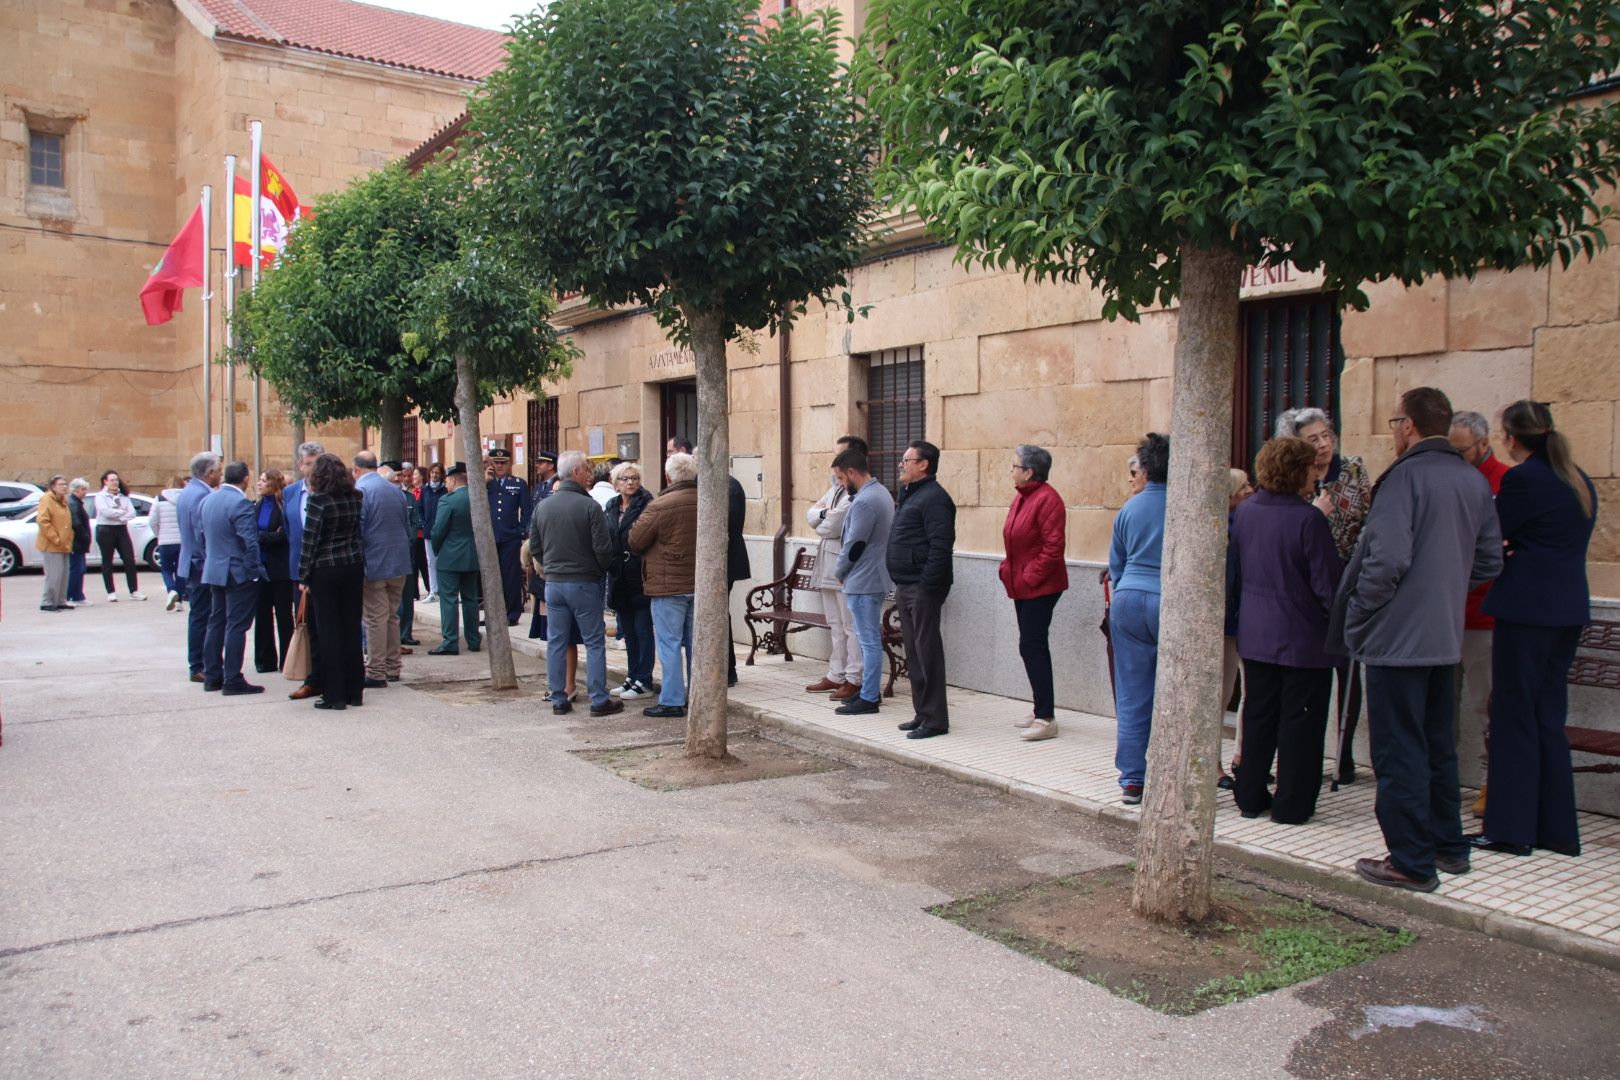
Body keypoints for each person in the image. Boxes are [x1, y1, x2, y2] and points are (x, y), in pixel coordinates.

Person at [1331, 387, 1502, 892]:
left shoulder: (1403, 478)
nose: (1392, 430)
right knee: (1437, 746)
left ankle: (1409, 860)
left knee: (1399, 749)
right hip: (1443, 636)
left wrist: (1362, 613)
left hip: (1396, 639)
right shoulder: (1471, 480)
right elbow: (1491, 561)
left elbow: (1385, 561)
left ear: (1407, 425)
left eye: (1393, 421)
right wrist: (1442, 589)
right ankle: (1448, 846)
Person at [1471, 401, 1599, 859]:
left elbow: (1492, 533)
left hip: (1527, 612)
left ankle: (1510, 829)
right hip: (1565, 611)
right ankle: (1556, 830)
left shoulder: (1525, 479)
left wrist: (1507, 549)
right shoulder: (1576, 477)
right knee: (1546, 718)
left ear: (1510, 436)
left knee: (1513, 717)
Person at [1228, 438, 1343, 824]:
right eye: (1312, 468)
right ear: (1299, 470)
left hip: (1256, 633)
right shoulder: (1309, 520)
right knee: (1301, 723)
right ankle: (1292, 804)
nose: (1317, 474)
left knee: (1259, 715)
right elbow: (1327, 585)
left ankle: (1249, 794)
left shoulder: (1246, 511)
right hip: (1303, 638)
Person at [1276, 407, 1373, 782]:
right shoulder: (1292, 477)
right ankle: (1300, 757)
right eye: (1312, 439)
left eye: (1326, 436)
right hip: (1303, 589)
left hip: (1346, 582)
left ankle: (1344, 755)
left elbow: (1368, 521)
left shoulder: (1353, 471)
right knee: (1304, 676)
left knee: (1348, 673)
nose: (1323, 445)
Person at [1449, 409, 1512, 815]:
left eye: (1463, 450)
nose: (1456, 458)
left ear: (1485, 444)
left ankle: (1494, 785)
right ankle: (1442, 782)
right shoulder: (1454, 478)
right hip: (1446, 611)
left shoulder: (1504, 482)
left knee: (1485, 705)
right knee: (1441, 705)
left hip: (1483, 614)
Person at [530, 450, 622, 717]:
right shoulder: (590, 506)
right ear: (575, 473)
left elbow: (535, 546)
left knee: (556, 642)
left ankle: (559, 697)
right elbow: (603, 549)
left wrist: (550, 567)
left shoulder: (543, 506)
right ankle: (598, 698)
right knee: (593, 641)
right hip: (584, 582)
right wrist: (598, 569)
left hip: (554, 583)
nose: (590, 474)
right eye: (586, 468)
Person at [1109, 433, 1168, 805]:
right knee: (1176, 691)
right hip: (1169, 599)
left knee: (1132, 691)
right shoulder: (1188, 504)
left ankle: (1132, 778)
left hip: (1128, 598)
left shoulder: (1129, 509)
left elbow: (1116, 564)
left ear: (1145, 469)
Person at [999, 444, 1069, 741]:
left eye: (1015, 466)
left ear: (1029, 471)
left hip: (1040, 586)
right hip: (1022, 584)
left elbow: (1053, 548)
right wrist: (1009, 570)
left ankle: (1046, 717)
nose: (1011, 471)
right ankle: (1040, 706)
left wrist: (1029, 577)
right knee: (1029, 646)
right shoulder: (1022, 498)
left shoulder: (1048, 500)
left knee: (1033, 645)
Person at [887, 439, 956, 740]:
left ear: (923, 464)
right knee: (914, 651)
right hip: (906, 585)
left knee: (927, 652)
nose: (901, 464)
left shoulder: (935, 498)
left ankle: (936, 719)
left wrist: (927, 584)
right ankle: (922, 713)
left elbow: (941, 546)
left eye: (907, 460)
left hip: (923, 587)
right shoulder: (911, 495)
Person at [630, 451, 699, 718]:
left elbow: (636, 541)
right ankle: (697, 695)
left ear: (668, 476)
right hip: (698, 583)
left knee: (670, 643)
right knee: (696, 644)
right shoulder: (706, 500)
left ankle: (671, 700)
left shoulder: (660, 504)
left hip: (668, 585)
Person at [298, 453, 366, 710]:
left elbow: (310, 541)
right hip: (353, 565)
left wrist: (303, 576)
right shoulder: (355, 497)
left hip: (325, 568)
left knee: (329, 632)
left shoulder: (318, 501)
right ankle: (354, 691)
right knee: (351, 629)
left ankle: (335, 694)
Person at [805, 435, 868, 701]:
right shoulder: (837, 488)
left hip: (844, 565)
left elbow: (833, 526)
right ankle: (836, 672)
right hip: (827, 562)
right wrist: (822, 515)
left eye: (840, 457)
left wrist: (823, 518)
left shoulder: (856, 494)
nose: (835, 465)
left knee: (849, 624)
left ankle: (854, 677)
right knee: (834, 623)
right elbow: (812, 515)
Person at [833, 449, 895, 716]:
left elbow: (855, 544)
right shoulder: (880, 493)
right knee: (867, 638)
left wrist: (839, 569)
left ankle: (869, 697)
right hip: (874, 576)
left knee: (867, 640)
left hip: (864, 579)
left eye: (840, 478)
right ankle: (869, 692)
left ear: (851, 472)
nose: (839, 484)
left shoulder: (865, 501)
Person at [199, 461, 265, 695]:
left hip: (215, 568)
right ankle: (232, 678)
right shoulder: (240, 503)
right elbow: (249, 541)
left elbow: (202, 536)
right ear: (246, 479)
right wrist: (254, 571)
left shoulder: (208, 500)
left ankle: (213, 675)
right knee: (236, 625)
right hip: (237, 571)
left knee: (216, 622)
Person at [352, 451, 412, 690]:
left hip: (374, 563)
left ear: (356, 469)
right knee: (392, 616)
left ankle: (376, 671)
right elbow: (406, 528)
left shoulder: (362, 491)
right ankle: (392, 666)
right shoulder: (394, 490)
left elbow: (360, 529)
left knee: (375, 618)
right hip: (397, 563)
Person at [607, 460, 656, 699]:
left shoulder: (647, 503)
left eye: (634, 478)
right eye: (625, 479)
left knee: (643, 629)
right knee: (627, 630)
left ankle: (644, 679)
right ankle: (632, 674)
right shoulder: (611, 505)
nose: (630, 483)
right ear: (616, 483)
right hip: (618, 574)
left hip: (639, 572)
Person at [1219, 468, 1255, 788]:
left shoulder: (1245, 525)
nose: (1249, 490)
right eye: (1243, 487)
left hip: (1245, 619)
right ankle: (1215, 763)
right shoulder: (1223, 531)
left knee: (1248, 691)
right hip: (1228, 624)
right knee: (1224, 693)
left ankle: (1242, 755)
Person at [281, 442, 325, 701]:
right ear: (300, 465)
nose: (312, 468)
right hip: (299, 570)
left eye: (317, 462)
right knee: (304, 624)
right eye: (308, 463)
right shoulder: (290, 493)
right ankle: (311, 676)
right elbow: (290, 531)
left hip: (325, 569)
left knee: (324, 626)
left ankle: (323, 675)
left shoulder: (333, 492)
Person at [177, 452, 222, 684]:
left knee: (200, 614)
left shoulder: (189, 492)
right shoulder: (200, 495)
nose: (221, 473)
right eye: (218, 469)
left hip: (193, 561)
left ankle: (199, 662)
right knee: (203, 616)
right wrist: (207, 560)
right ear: (209, 473)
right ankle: (199, 664)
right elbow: (200, 532)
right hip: (200, 564)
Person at [429, 464, 481, 655]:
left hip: (450, 556)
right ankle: (473, 639)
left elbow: (438, 529)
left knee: (449, 599)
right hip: (472, 554)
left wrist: (436, 549)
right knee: (470, 599)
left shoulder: (448, 501)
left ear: (452, 480)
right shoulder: (477, 497)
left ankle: (450, 641)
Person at [253, 469, 295, 673]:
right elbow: (252, 533)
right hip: (261, 568)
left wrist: (262, 536)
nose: (259, 484)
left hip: (280, 569)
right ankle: (264, 659)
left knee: (284, 615)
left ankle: (287, 659)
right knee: (261, 614)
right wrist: (267, 535)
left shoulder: (283, 506)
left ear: (273, 484)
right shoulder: (257, 506)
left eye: (263, 480)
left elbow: (284, 536)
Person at [486, 448, 530, 626]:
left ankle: (512, 612)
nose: (499, 466)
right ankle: (492, 613)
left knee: (510, 576)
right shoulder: (486, 483)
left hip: (509, 536)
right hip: (490, 537)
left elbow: (527, 510)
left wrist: (521, 531)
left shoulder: (518, 484)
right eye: (496, 463)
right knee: (490, 577)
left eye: (503, 462)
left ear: (509, 463)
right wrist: (484, 481)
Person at [93, 469, 145, 600]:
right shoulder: (101, 496)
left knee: (129, 560)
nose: (114, 483)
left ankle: (133, 591)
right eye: (111, 480)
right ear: (105, 482)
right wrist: (121, 512)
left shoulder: (123, 496)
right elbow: (105, 512)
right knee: (107, 561)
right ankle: (111, 592)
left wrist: (120, 517)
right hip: (105, 530)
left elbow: (132, 513)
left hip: (121, 529)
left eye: (116, 480)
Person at [35, 475, 73, 612]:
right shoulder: (47, 499)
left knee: (64, 574)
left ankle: (60, 600)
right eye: (61, 484)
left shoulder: (63, 500)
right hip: (51, 545)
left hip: (64, 545)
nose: (64, 487)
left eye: (65, 484)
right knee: (54, 574)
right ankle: (47, 601)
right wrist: (55, 538)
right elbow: (42, 520)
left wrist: (67, 539)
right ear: (53, 486)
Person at [150, 476, 187, 612]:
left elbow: (152, 520)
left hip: (165, 540)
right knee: (180, 571)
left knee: (166, 569)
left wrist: (158, 534)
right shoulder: (185, 499)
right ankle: (179, 602)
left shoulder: (159, 499)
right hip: (182, 540)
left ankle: (171, 590)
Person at [66, 478, 93, 607]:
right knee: (76, 569)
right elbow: (76, 523)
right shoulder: (73, 503)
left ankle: (77, 595)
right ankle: (71, 595)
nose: (85, 492)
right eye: (83, 489)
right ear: (75, 490)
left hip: (79, 543)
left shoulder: (76, 503)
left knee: (79, 569)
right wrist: (85, 536)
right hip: (76, 543)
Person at [422, 462, 445, 600]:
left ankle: (443, 589)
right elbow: (420, 508)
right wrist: (423, 523)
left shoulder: (445, 490)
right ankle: (433, 591)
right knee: (430, 561)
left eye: (437, 473)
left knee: (442, 560)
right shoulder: (425, 490)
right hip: (428, 531)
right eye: (432, 473)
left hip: (443, 532)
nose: (434, 475)